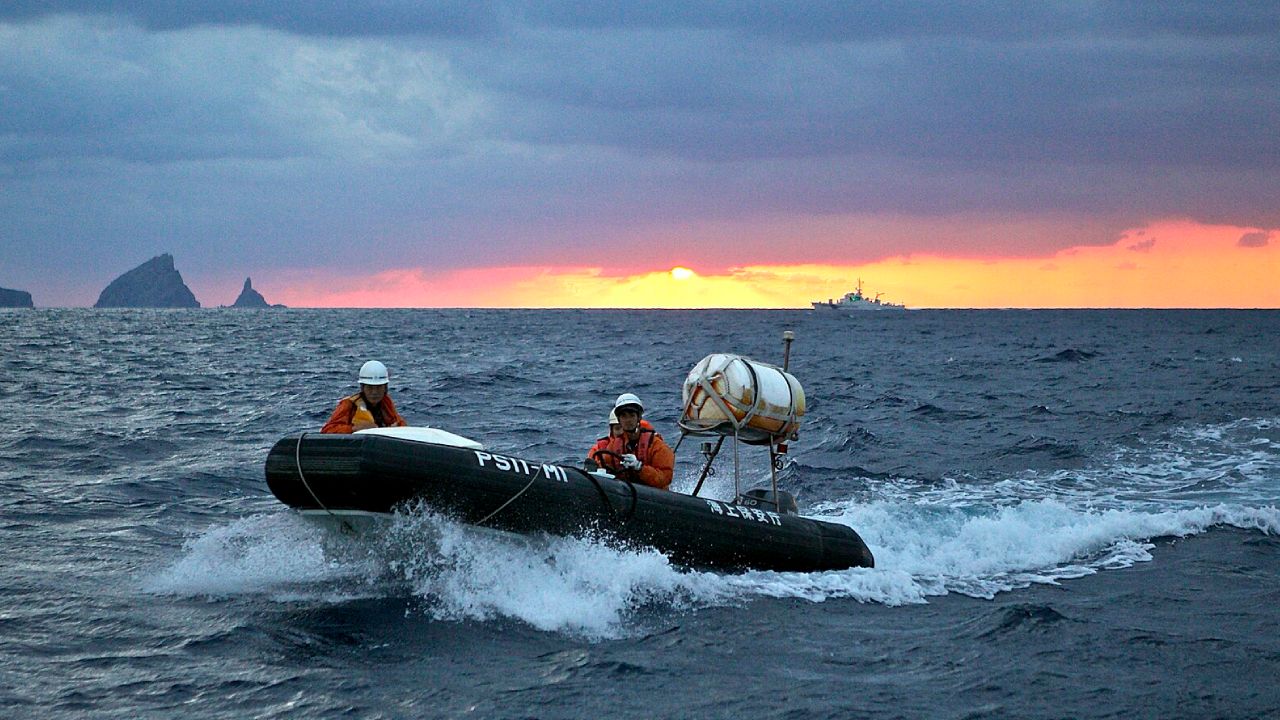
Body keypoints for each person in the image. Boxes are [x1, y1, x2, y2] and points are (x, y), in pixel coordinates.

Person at [586, 393, 674, 490]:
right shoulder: (614, 446)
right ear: (619, 420)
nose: (628, 420)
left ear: (638, 417)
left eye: (632, 415)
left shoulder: (657, 446)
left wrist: (640, 468)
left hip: (653, 497)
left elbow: (665, 478)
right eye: (624, 416)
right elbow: (605, 467)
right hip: (627, 495)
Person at [321, 360, 408, 433]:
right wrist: (354, 429)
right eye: (370, 387)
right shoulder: (349, 405)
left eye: (378, 387)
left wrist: (396, 429)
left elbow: (400, 424)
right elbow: (327, 430)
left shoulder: (386, 403)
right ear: (363, 387)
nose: (374, 392)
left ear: (385, 388)